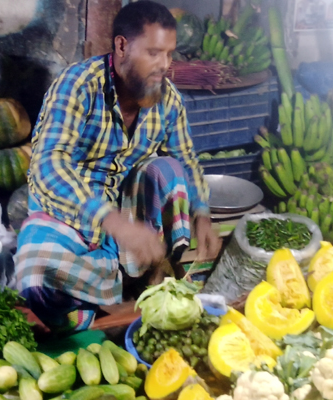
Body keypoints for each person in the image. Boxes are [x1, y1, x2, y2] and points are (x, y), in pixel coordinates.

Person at [14, 1, 220, 333]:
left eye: (169, 54)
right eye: (153, 53)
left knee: (168, 169)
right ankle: (108, 294)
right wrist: (112, 221)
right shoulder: (78, 86)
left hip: (130, 215)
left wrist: (202, 213)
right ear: (121, 46)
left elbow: (186, 159)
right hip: (73, 219)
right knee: (35, 276)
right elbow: (48, 164)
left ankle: (150, 273)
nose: (164, 65)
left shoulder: (168, 100)